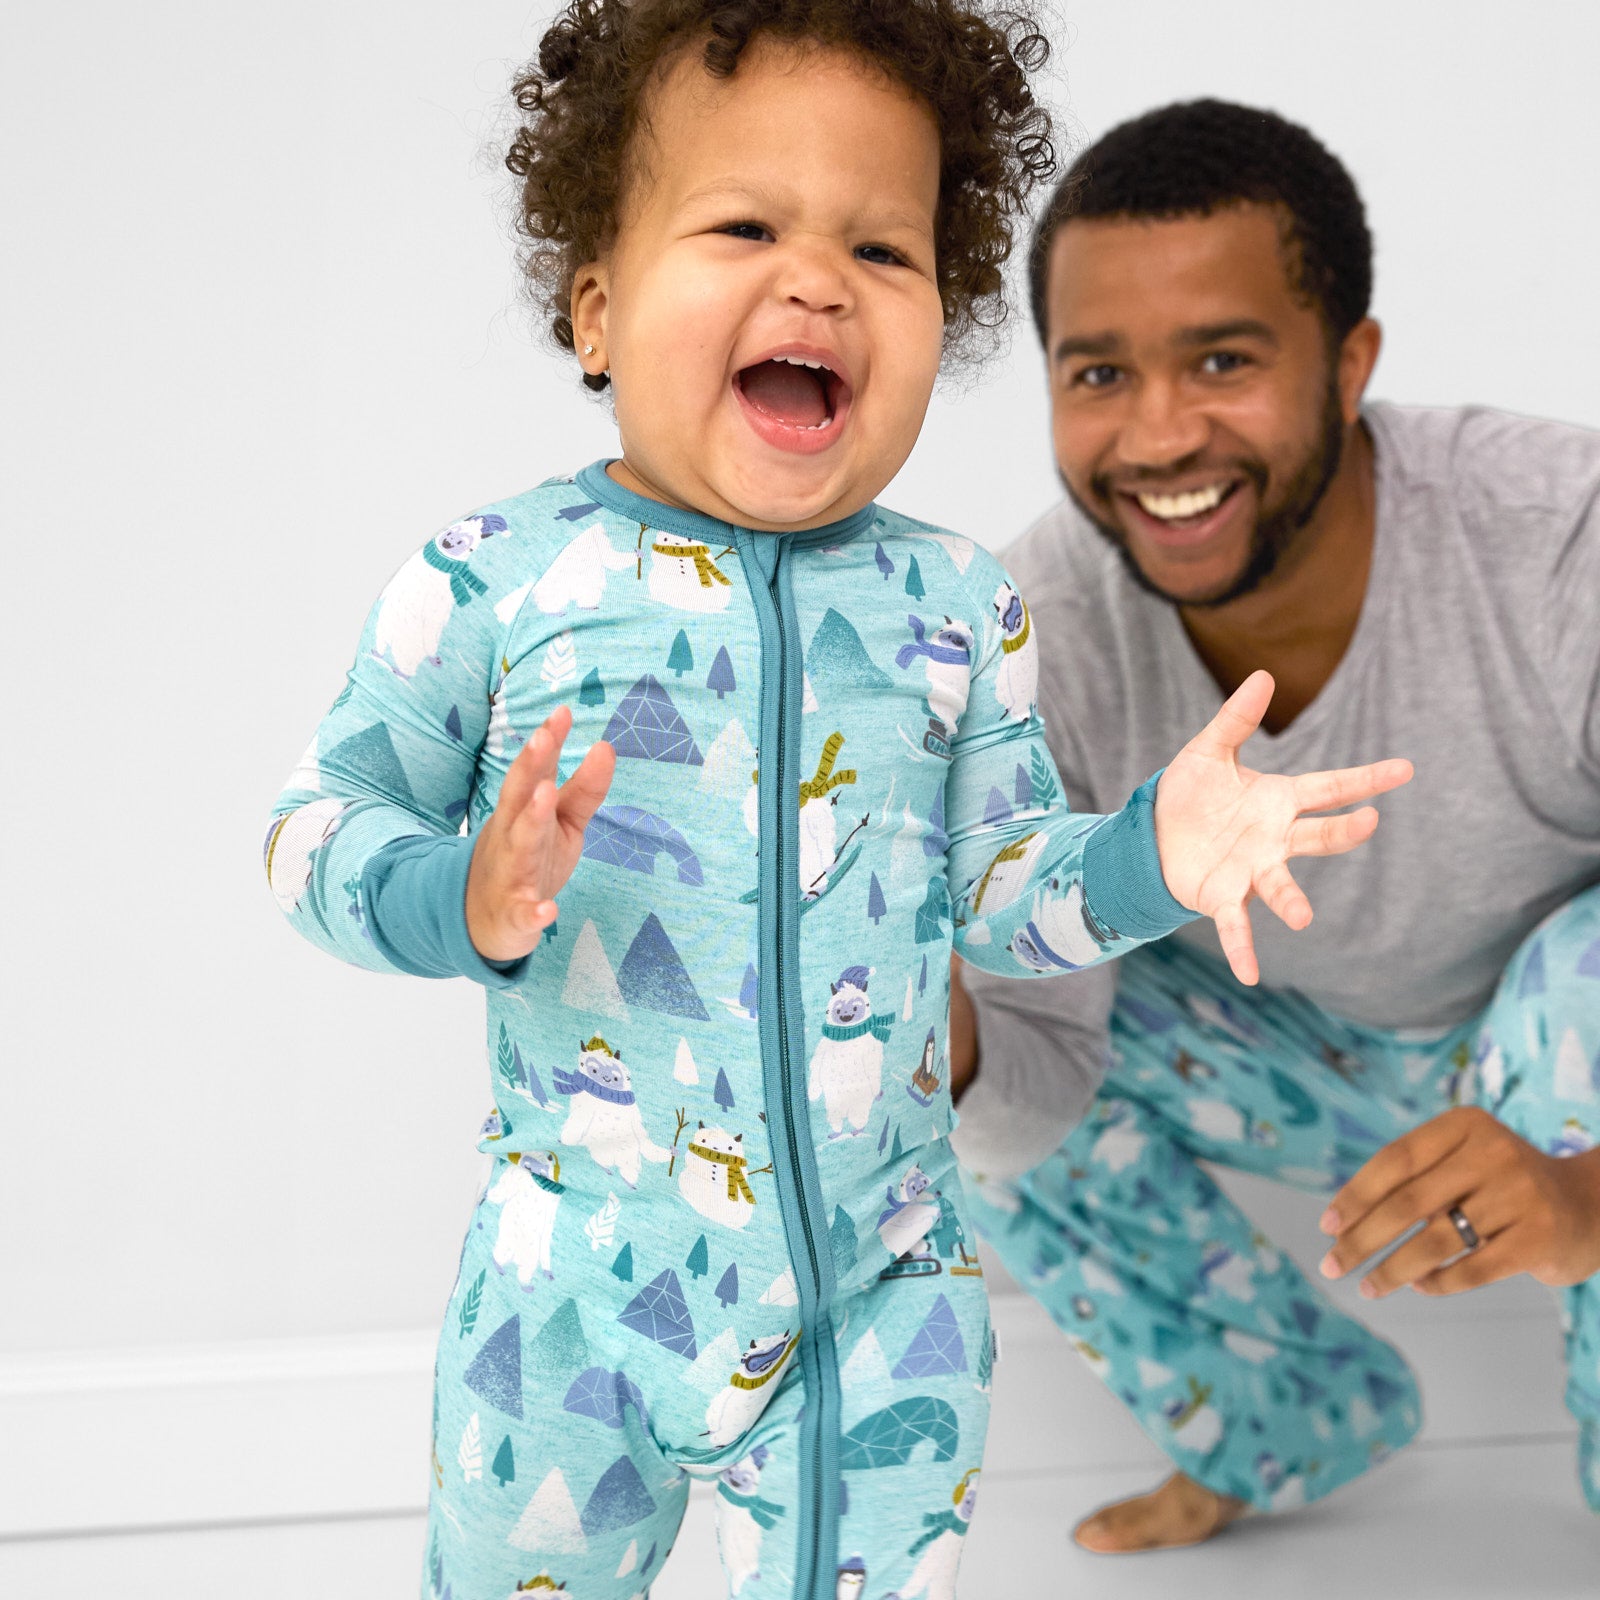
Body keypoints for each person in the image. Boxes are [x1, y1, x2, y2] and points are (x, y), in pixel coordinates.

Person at [264, 17, 1407, 1592]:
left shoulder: (961, 604)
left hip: (884, 1295)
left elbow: (1007, 890)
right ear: (598, 307)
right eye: (743, 227)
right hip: (574, 1297)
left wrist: (1153, 855)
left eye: (883, 246)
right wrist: (454, 896)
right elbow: (314, 826)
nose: (817, 282)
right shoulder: (498, 579)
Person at [948, 97, 1600, 1556]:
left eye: (1224, 360)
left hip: (1572, 1067)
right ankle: (1276, 1418)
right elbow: (1029, 1102)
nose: (1161, 433)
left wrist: (1578, 1201)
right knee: (964, 1053)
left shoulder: (1564, 543)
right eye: (1099, 372)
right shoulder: (1025, 643)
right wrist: (919, 1025)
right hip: (1286, 1052)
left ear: (1352, 364)